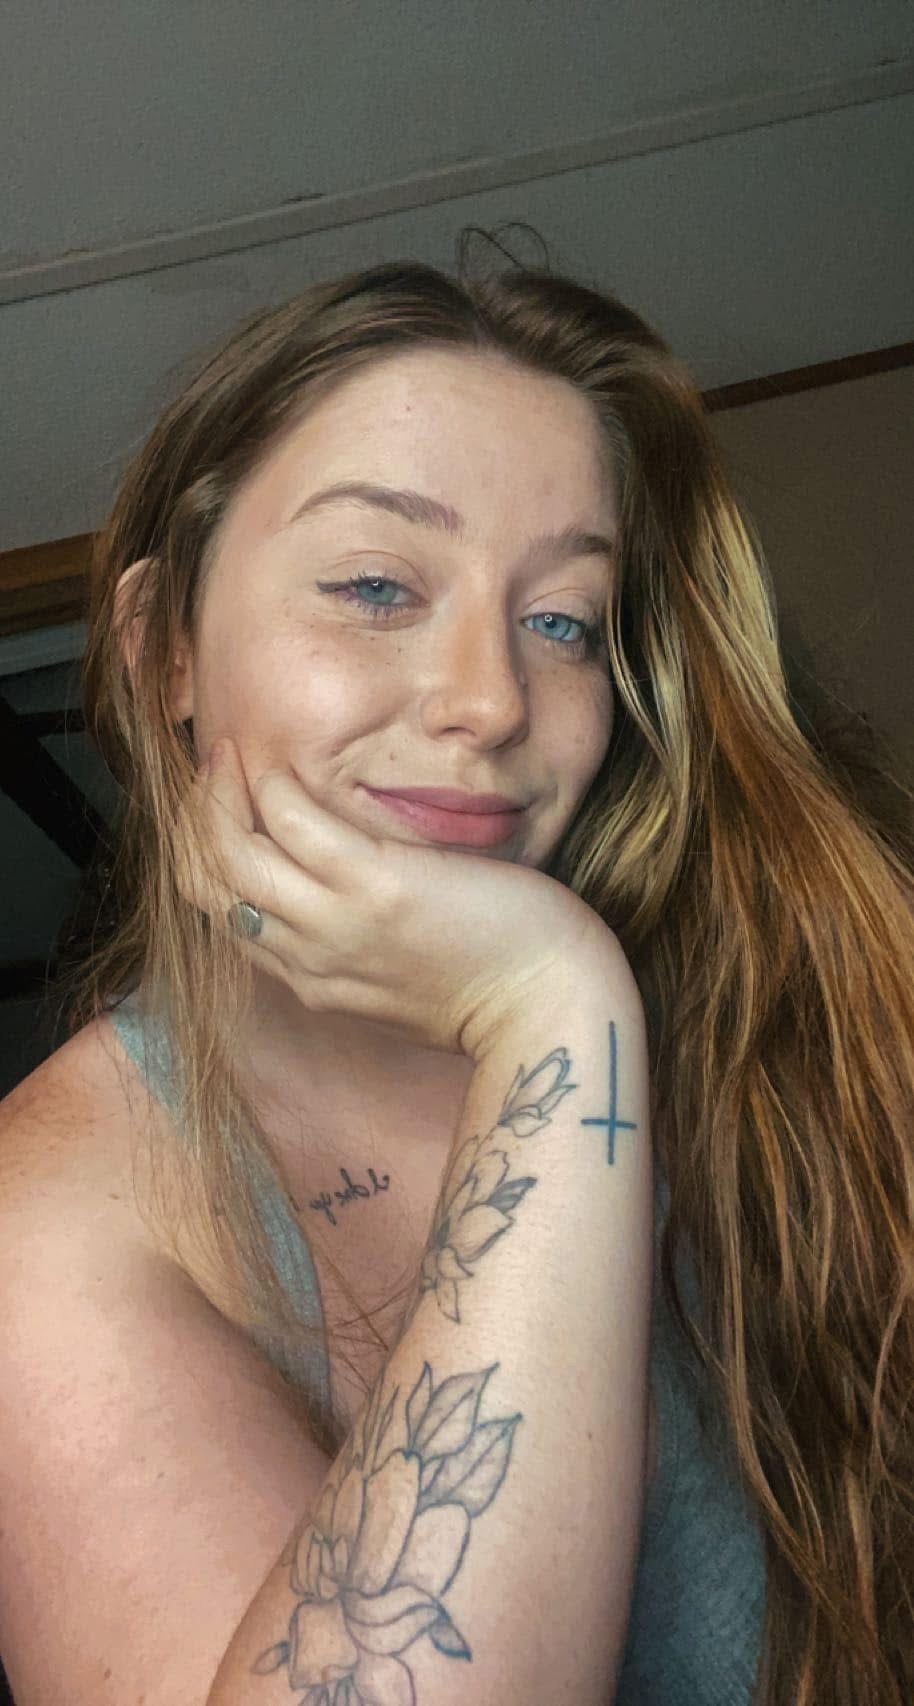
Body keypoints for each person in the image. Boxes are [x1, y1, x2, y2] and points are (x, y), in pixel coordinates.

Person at [0, 233, 911, 1706]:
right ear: (163, 648)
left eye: (562, 621)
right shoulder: (48, 1212)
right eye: (375, 585)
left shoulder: (779, 1007)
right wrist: (551, 1012)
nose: (492, 701)